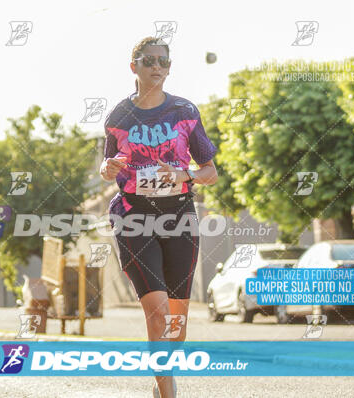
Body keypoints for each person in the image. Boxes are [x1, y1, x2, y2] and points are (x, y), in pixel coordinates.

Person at [99, 37, 218, 398]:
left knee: (177, 324)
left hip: (179, 214)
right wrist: (107, 167)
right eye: (148, 60)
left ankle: (160, 377)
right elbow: (108, 165)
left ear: (169, 69)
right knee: (157, 312)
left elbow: (210, 170)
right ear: (133, 66)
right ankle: (169, 392)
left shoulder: (185, 111)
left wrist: (188, 175)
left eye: (162, 62)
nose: (156, 67)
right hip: (134, 216)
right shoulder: (119, 116)